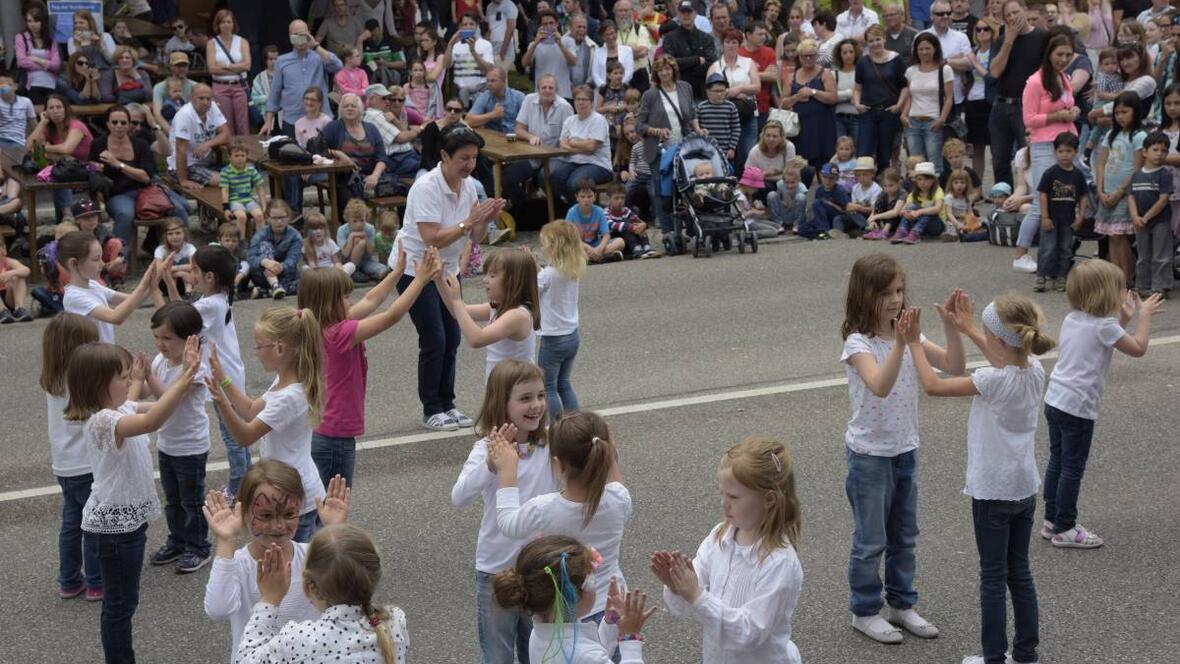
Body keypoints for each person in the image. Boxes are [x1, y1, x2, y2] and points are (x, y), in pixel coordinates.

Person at [899, 294, 1052, 664]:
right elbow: (1004, 355)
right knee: (1020, 573)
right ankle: (1026, 654)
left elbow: (933, 386)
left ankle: (994, 657)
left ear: (1000, 340)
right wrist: (966, 327)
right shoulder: (1035, 370)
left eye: (985, 333)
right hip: (1023, 489)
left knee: (992, 578)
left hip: (992, 491)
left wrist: (912, 343)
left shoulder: (990, 380)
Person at [840, 253, 964, 644]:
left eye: (899, 291)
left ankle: (902, 604)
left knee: (905, 536)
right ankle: (865, 610)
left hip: (905, 449)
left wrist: (953, 328)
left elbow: (956, 367)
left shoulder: (910, 336)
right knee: (871, 540)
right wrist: (903, 344)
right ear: (865, 296)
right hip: (869, 456)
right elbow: (879, 384)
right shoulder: (858, 342)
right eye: (886, 293)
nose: (896, 300)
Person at [65, 336, 201, 664]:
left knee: (125, 602)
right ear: (98, 383)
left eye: (129, 375)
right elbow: (151, 421)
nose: (129, 381)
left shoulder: (119, 408)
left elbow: (158, 406)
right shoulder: (102, 421)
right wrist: (184, 377)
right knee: (120, 606)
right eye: (122, 376)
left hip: (126, 523)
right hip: (114, 529)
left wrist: (181, 377)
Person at [1042, 260, 1164, 549]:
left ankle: (1051, 520)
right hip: (1078, 407)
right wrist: (1144, 316)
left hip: (1056, 399)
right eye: (1122, 287)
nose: (1127, 291)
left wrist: (1123, 318)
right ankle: (1066, 527)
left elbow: (1105, 340)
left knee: (1058, 461)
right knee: (1073, 467)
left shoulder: (1074, 318)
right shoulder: (1105, 326)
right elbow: (1137, 348)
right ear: (1106, 294)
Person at [651, 436, 803, 664]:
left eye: (733, 496)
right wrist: (678, 585)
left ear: (769, 499)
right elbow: (694, 599)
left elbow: (750, 633)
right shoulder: (720, 537)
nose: (724, 503)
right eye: (721, 493)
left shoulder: (779, 563)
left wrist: (697, 596)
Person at [297, 247, 438, 489]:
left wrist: (397, 273)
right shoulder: (339, 334)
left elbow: (371, 300)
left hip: (323, 432)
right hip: (335, 438)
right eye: (344, 297)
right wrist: (421, 281)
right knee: (333, 507)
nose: (349, 302)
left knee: (322, 505)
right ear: (328, 302)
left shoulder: (313, 324)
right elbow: (392, 316)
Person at [451, 360, 558, 664]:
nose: (536, 405)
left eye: (540, 395)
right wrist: (489, 465)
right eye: (525, 398)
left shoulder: (550, 442)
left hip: (540, 568)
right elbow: (458, 497)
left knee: (537, 653)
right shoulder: (487, 448)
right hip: (496, 569)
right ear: (502, 403)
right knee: (497, 655)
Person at [400, 128, 505, 430]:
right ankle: (431, 407)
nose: (470, 164)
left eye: (474, 158)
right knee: (434, 338)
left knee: (453, 336)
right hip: (417, 270)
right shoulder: (426, 187)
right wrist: (468, 221)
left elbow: (476, 236)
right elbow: (432, 237)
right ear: (444, 156)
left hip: (447, 270)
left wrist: (485, 219)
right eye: (463, 158)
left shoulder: (469, 185)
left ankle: (448, 402)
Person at [490, 409, 632, 623]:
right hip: (614, 605)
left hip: (564, 610)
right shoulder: (619, 499)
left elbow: (507, 523)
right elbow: (613, 476)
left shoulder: (543, 509)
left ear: (559, 464)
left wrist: (507, 470)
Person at [202, 462, 353, 657]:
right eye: (266, 515)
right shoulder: (237, 564)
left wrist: (336, 530)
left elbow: (348, 593)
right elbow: (217, 610)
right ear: (244, 512)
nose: (279, 525)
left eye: (289, 514)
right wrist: (225, 541)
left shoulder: (312, 556)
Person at [205, 306, 327, 545]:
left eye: (259, 345)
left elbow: (245, 437)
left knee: (291, 569)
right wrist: (223, 378)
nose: (257, 352)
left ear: (279, 348)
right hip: (289, 491)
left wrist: (222, 404)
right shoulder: (282, 381)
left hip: (294, 498)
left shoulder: (289, 397)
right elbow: (250, 410)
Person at [493, 535, 654, 663]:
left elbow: (591, 652)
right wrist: (630, 638)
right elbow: (590, 656)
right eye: (592, 579)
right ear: (571, 596)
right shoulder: (585, 654)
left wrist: (610, 622)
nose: (596, 584)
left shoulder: (541, 632)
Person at [140, 302, 213, 574]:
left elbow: (170, 398)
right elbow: (147, 392)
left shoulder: (195, 367)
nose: (160, 344)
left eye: (167, 338)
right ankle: (178, 540)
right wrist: (132, 381)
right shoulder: (161, 361)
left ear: (190, 338)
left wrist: (148, 377)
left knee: (191, 501)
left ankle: (199, 547)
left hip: (190, 446)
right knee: (173, 499)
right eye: (157, 337)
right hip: (168, 443)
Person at [41, 314, 103, 600]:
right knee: (93, 525)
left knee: (71, 523)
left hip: (64, 465)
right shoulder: (83, 379)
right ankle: (96, 580)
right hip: (87, 465)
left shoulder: (52, 378)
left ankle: (68, 579)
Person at [1011, 33, 1082, 277]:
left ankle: (1057, 255)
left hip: (1068, 143)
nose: (1063, 59)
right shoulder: (1035, 82)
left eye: (1067, 55)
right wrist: (1058, 116)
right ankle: (1020, 254)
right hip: (1043, 146)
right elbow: (1028, 120)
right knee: (1041, 205)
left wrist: (1073, 110)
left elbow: (1067, 105)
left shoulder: (1065, 78)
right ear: (1049, 54)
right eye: (1059, 54)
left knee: (1063, 201)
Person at [89, 105, 190, 253]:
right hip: (118, 193)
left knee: (180, 209)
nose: (119, 126)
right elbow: (91, 170)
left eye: (123, 123)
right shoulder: (98, 144)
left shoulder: (139, 144)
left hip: (146, 190)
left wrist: (118, 164)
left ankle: (184, 253)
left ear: (128, 124)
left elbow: (145, 177)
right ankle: (118, 257)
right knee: (125, 213)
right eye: (115, 122)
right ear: (107, 124)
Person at [58, 231, 160, 344]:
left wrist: (155, 281)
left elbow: (133, 300)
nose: (102, 264)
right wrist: (143, 285)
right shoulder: (74, 297)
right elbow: (115, 317)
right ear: (74, 264)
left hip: (104, 354)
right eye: (96, 259)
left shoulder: (92, 284)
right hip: (92, 358)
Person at [989, 0, 1048, 187]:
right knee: (999, 158)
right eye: (1008, 15)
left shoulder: (1042, 37)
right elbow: (995, 72)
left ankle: (1030, 198)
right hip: (1001, 104)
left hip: (1027, 106)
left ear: (1025, 11)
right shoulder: (1001, 40)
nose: (1012, 18)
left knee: (1028, 155)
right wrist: (1008, 41)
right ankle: (1003, 197)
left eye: (1016, 12)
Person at [535, 221, 587, 421]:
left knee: (548, 386)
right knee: (564, 382)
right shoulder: (571, 270)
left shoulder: (547, 275)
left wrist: (532, 268)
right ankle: (576, 422)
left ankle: (556, 427)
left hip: (553, 337)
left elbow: (532, 289)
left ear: (554, 246)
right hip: (572, 334)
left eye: (543, 243)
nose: (541, 247)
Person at [1094, 92, 1147, 287]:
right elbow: (1101, 163)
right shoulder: (1111, 134)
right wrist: (1100, 190)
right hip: (1106, 192)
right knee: (1111, 236)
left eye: (1125, 112)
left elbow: (1137, 168)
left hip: (1124, 194)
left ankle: (1126, 279)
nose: (1120, 116)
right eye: (1117, 112)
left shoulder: (1139, 136)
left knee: (1120, 236)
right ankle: (1115, 278)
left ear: (1135, 112)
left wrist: (1119, 192)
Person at [263, 19, 344, 143]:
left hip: (320, 118)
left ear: (309, 34)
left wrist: (316, 46)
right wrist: (268, 121)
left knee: (323, 157)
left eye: (302, 35)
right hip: (292, 119)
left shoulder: (319, 56)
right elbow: (275, 93)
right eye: (295, 35)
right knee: (292, 157)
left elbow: (337, 65)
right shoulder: (282, 61)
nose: (299, 39)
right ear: (290, 37)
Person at [502, 75, 575, 208]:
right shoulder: (529, 100)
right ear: (538, 89)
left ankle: (559, 209)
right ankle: (525, 210)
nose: (547, 90)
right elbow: (518, 129)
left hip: (557, 157)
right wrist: (530, 137)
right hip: (533, 155)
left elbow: (572, 138)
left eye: (551, 88)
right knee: (509, 177)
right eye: (544, 87)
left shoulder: (565, 107)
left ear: (556, 90)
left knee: (544, 177)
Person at [1035, 132, 1089, 291]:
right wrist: (1044, 217)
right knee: (1048, 247)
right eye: (1061, 151)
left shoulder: (1078, 175)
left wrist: (1081, 216)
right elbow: (1043, 194)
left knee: (1066, 248)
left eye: (1069, 151)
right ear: (1055, 152)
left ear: (1076, 152)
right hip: (1051, 218)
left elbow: (1083, 196)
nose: (1064, 155)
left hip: (1068, 219)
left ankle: (1061, 276)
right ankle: (1042, 276)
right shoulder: (1050, 173)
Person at [323, 93, 392, 214]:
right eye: (346, 106)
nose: (349, 108)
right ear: (341, 110)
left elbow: (382, 158)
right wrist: (339, 154)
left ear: (360, 110)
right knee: (350, 203)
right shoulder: (333, 127)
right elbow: (318, 149)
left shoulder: (371, 128)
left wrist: (375, 176)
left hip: (369, 176)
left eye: (353, 106)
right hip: (344, 179)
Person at [854, 26, 907, 172]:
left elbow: (905, 86)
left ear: (884, 39)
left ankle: (884, 186)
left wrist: (899, 105)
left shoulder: (896, 59)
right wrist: (857, 103)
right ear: (866, 43)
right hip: (868, 112)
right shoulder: (863, 62)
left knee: (885, 154)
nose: (875, 43)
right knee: (863, 153)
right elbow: (858, 87)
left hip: (888, 112)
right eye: (871, 41)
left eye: (877, 39)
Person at [1128, 131, 1175, 297]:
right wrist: (1135, 216)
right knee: (1143, 255)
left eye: (1163, 151)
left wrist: (1146, 217)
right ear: (1145, 152)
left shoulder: (1164, 175)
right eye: (1155, 149)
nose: (1159, 154)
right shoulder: (1137, 174)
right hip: (1140, 222)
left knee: (1161, 255)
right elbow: (1131, 197)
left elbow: (1163, 200)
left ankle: (1160, 287)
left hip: (1160, 221)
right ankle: (1142, 286)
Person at [551, 85, 614, 207]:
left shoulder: (598, 120)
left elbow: (591, 147)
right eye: (577, 99)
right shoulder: (570, 120)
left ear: (591, 102)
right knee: (554, 177)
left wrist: (573, 143)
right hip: (574, 162)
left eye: (584, 99)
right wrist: (581, 147)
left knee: (575, 183)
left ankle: (586, 213)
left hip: (598, 164)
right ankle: (575, 208)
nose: (580, 102)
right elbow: (562, 144)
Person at [709, 29, 762, 171]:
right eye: (727, 42)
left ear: (739, 45)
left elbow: (757, 87)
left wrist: (739, 89)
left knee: (748, 153)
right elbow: (710, 93)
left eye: (734, 42)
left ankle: (748, 187)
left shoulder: (748, 63)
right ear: (722, 44)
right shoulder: (715, 67)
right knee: (727, 155)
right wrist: (733, 93)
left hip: (747, 115)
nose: (731, 45)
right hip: (723, 119)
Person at [780, 39, 836, 169]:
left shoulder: (825, 74)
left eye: (812, 55)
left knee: (824, 163)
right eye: (805, 55)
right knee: (802, 163)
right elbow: (783, 104)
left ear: (817, 56)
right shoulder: (791, 77)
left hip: (822, 125)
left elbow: (833, 98)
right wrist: (797, 97)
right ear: (799, 57)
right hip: (800, 127)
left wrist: (813, 92)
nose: (809, 58)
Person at [901, 34, 954, 172]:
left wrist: (942, 119)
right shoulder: (911, 71)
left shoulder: (945, 70)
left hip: (933, 122)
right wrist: (904, 115)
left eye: (927, 48)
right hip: (913, 123)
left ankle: (936, 193)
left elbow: (949, 98)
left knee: (934, 163)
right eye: (921, 49)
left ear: (935, 49)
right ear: (916, 51)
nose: (924, 52)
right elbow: (910, 96)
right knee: (915, 163)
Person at [169, 84, 231, 192]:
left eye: (208, 98)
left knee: (244, 175)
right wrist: (183, 180)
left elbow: (226, 134)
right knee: (228, 181)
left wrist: (207, 144)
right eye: (201, 98)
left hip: (206, 163)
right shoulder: (184, 116)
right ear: (191, 98)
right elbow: (181, 149)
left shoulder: (213, 107)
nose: (206, 102)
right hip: (186, 166)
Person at [361, 84, 422, 182]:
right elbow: (401, 137)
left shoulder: (385, 113)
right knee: (430, 167)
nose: (388, 102)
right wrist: (420, 129)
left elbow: (405, 132)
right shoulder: (375, 115)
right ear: (372, 99)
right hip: (397, 160)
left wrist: (396, 121)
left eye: (388, 98)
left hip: (405, 156)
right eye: (384, 98)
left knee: (432, 165)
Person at [247, 199, 303, 299]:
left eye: (282, 217)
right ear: (267, 218)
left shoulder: (295, 236)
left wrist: (280, 267)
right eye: (275, 218)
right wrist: (264, 262)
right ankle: (275, 285)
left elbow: (292, 260)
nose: (279, 222)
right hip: (263, 274)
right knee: (265, 245)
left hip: (285, 274)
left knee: (306, 282)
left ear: (288, 218)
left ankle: (266, 292)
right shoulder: (260, 234)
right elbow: (251, 258)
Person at [663, 1, 719, 99]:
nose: (686, 15)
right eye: (683, 12)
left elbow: (711, 63)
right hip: (679, 91)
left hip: (702, 91)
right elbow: (670, 63)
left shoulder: (707, 38)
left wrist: (683, 68)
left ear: (695, 13)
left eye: (689, 11)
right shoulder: (669, 38)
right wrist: (696, 60)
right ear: (678, 13)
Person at [523, 8, 578, 101]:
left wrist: (560, 43)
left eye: (551, 23)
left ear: (556, 24)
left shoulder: (568, 41)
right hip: (542, 94)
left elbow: (573, 62)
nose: (548, 26)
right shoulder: (534, 44)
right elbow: (525, 63)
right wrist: (536, 43)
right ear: (540, 27)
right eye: (545, 24)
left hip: (563, 94)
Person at [220, 139, 268, 244]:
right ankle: (240, 242)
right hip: (234, 200)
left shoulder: (250, 170)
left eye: (242, 155)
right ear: (230, 157)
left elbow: (259, 187)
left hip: (248, 198)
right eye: (236, 156)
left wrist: (263, 204)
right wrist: (226, 207)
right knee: (241, 217)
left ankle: (261, 241)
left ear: (246, 157)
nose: (240, 159)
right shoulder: (226, 172)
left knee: (259, 215)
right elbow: (225, 190)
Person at [336, 199, 393, 282]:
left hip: (365, 261)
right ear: (348, 220)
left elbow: (371, 252)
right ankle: (354, 271)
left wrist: (366, 238)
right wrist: (351, 238)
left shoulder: (369, 228)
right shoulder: (342, 230)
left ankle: (364, 272)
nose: (359, 224)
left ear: (366, 217)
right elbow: (345, 253)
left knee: (384, 269)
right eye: (355, 221)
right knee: (361, 243)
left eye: (362, 220)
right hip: (347, 262)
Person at [16, 1, 60, 106]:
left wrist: (37, 60)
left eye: (36, 21)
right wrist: (47, 64)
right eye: (29, 21)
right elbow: (21, 61)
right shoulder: (21, 37)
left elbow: (57, 64)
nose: (32, 24)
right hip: (31, 84)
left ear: (43, 22)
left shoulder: (50, 40)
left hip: (50, 83)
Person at [449, 12, 496, 106]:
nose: (468, 27)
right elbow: (446, 65)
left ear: (477, 26)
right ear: (460, 27)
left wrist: (473, 52)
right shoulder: (456, 46)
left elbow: (489, 69)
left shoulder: (485, 45)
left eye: (471, 24)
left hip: (480, 90)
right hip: (459, 90)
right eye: (465, 25)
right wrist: (450, 44)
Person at [467, 66, 526, 134]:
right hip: (493, 137)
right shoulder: (484, 97)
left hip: (514, 138)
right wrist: (492, 115)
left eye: (493, 81)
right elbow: (468, 121)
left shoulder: (519, 97)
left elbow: (528, 122)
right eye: (488, 81)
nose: (489, 84)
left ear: (504, 81)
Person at [153, 52, 199, 136]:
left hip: (191, 127)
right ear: (171, 67)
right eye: (178, 66)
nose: (182, 69)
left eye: (184, 66)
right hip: (169, 124)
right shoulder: (159, 87)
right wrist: (171, 132)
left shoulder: (195, 86)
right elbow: (157, 114)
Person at [615, 0, 654, 91]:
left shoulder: (640, 29)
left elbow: (642, 53)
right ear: (615, 13)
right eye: (620, 11)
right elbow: (610, 55)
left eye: (626, 10)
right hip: (619, 79)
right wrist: (632, 48)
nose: (623, 13)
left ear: (632, 12)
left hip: (640, 77)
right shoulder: (611, 31)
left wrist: (621, 51)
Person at [863, 168, 908, 239]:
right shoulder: (883, 193)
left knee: (894, 211)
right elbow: (875, 210)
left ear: (898, 183)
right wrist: (871, 220)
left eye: (891, 185)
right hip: (885, 221)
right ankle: (876, 229)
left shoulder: (902, 193)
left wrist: (876, 216)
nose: (888, 189)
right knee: (879, 202)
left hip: (898, 223)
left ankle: (885, 232)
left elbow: (895, 212)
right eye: (885, 186)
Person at [0, 74, 35, 148]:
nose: (4, 87)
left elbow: (34, 124)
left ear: (15, 86)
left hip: (18, 142)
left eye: (9, 84)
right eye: (1, 85)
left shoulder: (26, 101)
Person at [250, 46, 280, 130]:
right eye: (270, 59)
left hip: (282, 114)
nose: (273, 62)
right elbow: (255, 98)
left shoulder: (284, 75)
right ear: (265, 60)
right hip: (264, 113)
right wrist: (269, 98)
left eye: (276, 59)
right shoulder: (259, 77)